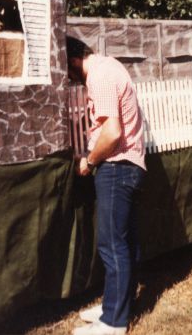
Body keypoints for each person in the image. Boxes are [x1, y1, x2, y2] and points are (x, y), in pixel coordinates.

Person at [67, 36, 146, 335]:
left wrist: (90, 159)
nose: (72, 80)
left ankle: (114, 323)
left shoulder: (98, 76)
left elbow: (112, 133)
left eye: (69, 72)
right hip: (128, 166)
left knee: (112, 245)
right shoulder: (111, 66)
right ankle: (115, 305)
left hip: (116, 166)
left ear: (73, 60)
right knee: (123, 244)